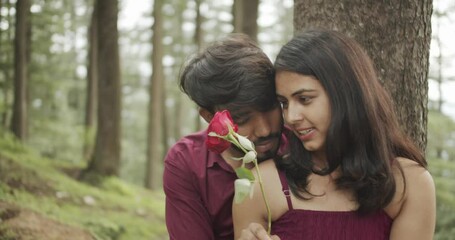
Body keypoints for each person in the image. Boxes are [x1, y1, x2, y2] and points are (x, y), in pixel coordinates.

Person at [233, 29, 436, 240]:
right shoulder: (262, 185)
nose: (291, 117)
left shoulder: (409, 184)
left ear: (345, 95)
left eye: (304, 99)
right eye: (284, 103)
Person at [163, 34, 285, 240]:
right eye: (243, 118)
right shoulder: (187, 163)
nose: (264, 130)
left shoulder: (301, 145)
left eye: (271, 107)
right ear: (209, 117)